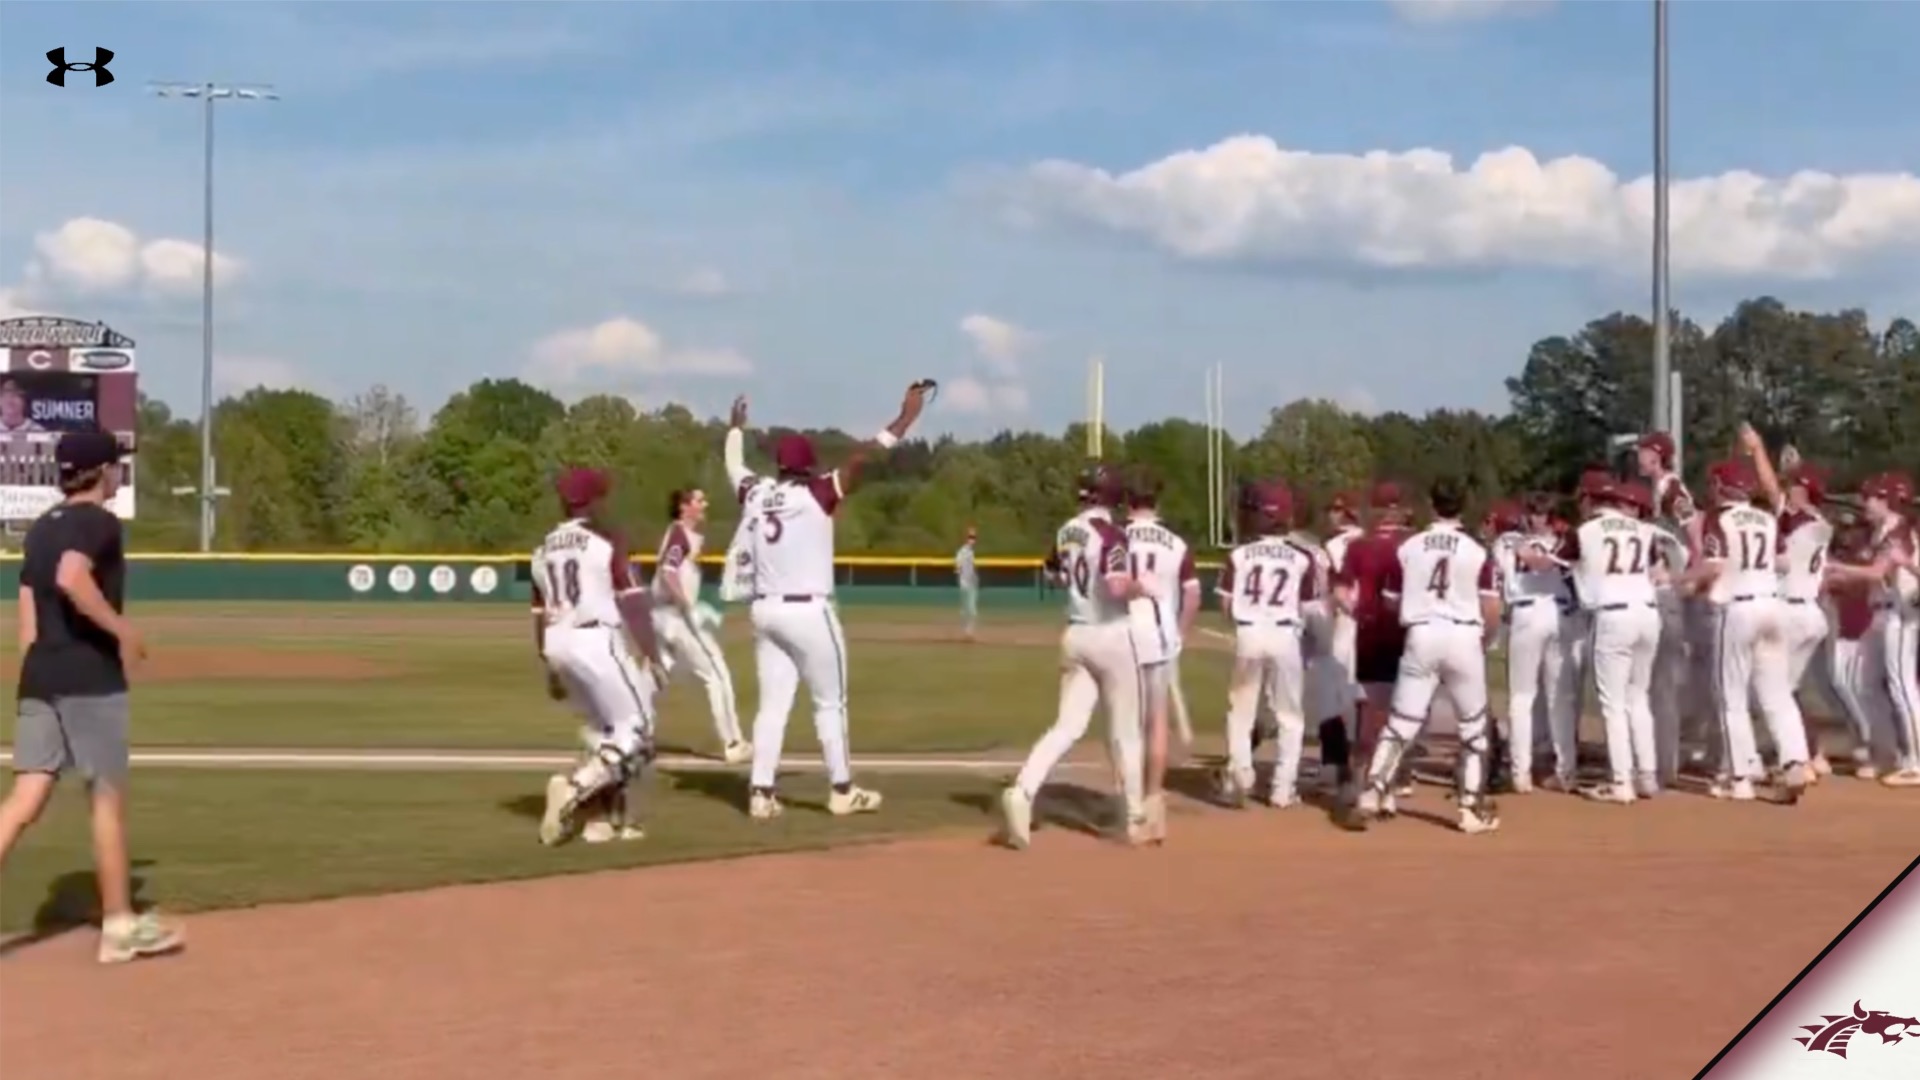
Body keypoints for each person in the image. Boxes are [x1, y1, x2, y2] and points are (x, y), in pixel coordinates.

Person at [0, 429, 182, 964]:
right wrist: (121, 631)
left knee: (24, 799)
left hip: (41, 675)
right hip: (88, 677)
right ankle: (120, 925)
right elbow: (72, 577)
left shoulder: (39, 530)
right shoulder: (98, 523)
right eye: (115, 465)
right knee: (107, 798)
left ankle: (120, 921)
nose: (118, 472)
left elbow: (28, 616)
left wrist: (40, 670)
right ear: (100, 470)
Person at [728, 384, 929, 820]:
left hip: (765, 611)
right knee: (829, 703)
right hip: (808, 611)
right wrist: (906, 418)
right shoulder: (817, 493)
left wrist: (735, 430)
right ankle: (841, 789)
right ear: (809, 465)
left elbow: (733, 466)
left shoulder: (757, 494)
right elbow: (866, 457)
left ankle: (761, 792)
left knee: (772, 706)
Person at [999, 464, 1148, 849]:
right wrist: (1143, 588)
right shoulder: (1112, 534)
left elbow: (1052, 574)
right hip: (1112, 634)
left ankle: (1023, 791)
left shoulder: (1066, 530)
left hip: (1076, 633)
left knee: (1066, 726)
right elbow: (1117, 587)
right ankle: (1132, 819)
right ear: (1114, 496)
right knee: (1124, 732)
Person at [1346, 478, 1503, 834]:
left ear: (1432, 505)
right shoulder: (1477, 549)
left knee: (1401, 722)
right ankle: (1470, 809)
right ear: (1463, 506)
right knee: (1474, 727)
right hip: (1463, 634)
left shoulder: (1409, 547)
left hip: (1421, 634)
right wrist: (1483, 640)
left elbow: (1390, 600)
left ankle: (1371, 793)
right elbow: (1491, 607)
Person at [532, 467, 666, 845]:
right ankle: (575, 790)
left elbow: (540, 613)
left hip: (557, 642)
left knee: (603, 731)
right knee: (637, 730)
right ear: (594, 501)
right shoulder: (606, 538)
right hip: (595, 640)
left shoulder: (543, 548)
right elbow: (633, 600)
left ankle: (601, 820)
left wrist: (549, 666)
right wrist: (652, 654)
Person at [1674, 458, 1811, 803]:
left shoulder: (1718, 518)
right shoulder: (1766, 518)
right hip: (1771, 604)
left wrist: (1674, 579)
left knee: (1731, 697)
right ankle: (1795, 760)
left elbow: (1712, 566)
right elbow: (1782, 562)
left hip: (1736, 608)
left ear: (1720, 486)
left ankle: (1739, 778)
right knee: (1777, 694)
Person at [1214, 480, 1328, 809]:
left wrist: (1243, 622)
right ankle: (1282, 788)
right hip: (1285, 636)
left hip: (1249, 633)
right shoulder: (1302, 558)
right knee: (1289, 716)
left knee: (1241, 711)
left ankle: (1241, 775)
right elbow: (1309, 608)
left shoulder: (1238, 555)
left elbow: (1225, 605)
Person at [1739, 426, 1836, 777]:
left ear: (1804, 492)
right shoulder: (1821, 523)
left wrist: (1758, 449)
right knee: (1788, 690)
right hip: (1811, 614)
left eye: (1795, 486)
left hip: (1791, 613)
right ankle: (1813, 754)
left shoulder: (1800, 521)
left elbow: (1769, 488)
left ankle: (1793, 761)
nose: (1789, 490)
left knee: (1771, 691)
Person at [1560, 478, 1662, 803]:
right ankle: (1647, 775)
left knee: (1613, 703)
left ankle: (1621, 781)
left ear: (1592, 500)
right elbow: (1658, 569)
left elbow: (1563, 561)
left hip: (1612, 615)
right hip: (1648, 612)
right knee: (1638, 697)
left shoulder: (1585, 530)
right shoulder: (1643, 530)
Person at [1827, 472, 1920, 787]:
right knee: (1863, 683)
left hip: (1902, 612)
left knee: (1902, 687)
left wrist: (1837, 568)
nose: (1865, 503)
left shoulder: (1899, 532)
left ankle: (1916, 761)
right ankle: (1889, 753)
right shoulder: (1881, 531)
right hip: (1880, 613)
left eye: (1871, 497)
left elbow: (1877, 572)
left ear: (1886, 500)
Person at [1121, 469, 1199, 840]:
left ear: (1127, 501)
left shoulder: (1115, 537)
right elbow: (1194, 596)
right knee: (1157, 723)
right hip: (1161, 637)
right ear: (1158, 501)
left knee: (1127, 726)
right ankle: (1154, 802)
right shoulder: (1177, 543)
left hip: (1123, 635)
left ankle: (1133, 807)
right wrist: (1180, 634)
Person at [1332, 482, 1416, 818]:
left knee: (1370, 712)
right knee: (1402, 715)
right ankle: (1389, 787)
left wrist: (1355, 612)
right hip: (1408, 633)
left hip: (1370, 632)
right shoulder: (1413, 544)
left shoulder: (1359, 546)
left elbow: (1340, 590)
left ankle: (1362, 781)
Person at [651, 487, 748, 765]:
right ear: (684, 507)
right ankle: (732, 743)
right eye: (698, 500)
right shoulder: (680, 534)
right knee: (717, 675)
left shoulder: (682, 534)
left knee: (656, 677)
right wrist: (687, 605)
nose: (705, 503)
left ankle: (622, 732)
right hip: (676, 618)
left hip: (662, 617)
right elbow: (668, 572)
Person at [1498, 493, 1576, 793]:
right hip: (1541, 611)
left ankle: (1532, 773)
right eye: (1534, 511)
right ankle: (1533, 771)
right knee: (1542, 697)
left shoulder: (1563, 541)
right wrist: (1559, 555)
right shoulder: (1512, 539)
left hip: (1542, 614)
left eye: (1542, 512)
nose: (1538, 517)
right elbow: (1535, 560)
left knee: (1538, 696)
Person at [1823, 523, 1895, 779]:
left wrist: (1835, 574)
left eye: (1851, 538)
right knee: (1842, 685)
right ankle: (1866, 742)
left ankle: (1876, 746)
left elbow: (1862, 580)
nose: (1846, 542)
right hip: (1846, 629)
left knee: (1865, 688)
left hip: (1863, 627)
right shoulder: (1846, 560)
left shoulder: (1866, 558)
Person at [956, 526, 979, 641]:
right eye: (970, 537)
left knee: (972, 610)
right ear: (966, 538)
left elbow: (972, 568)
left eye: (974, 537)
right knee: (965, 609)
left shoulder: (971, 552)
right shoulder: (962, 551)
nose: (972, 540)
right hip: (964, 583)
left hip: (971, 583)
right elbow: (958, 564)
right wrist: (958, 569)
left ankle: (969, 632)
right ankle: (966, 632)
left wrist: (975, 577)